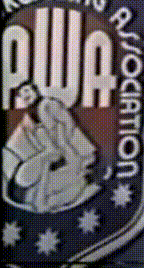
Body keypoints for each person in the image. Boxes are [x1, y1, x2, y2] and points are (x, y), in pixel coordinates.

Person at [3, 81, 100, 214]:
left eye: (26, 90)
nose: (24, 95)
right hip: (61, 154)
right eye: (21, 94)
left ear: (35, 90)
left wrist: (63, 142)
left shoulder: (48, 103)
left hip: (71, 147)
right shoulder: (34, 114)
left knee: (70, 167)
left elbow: (67, 122)